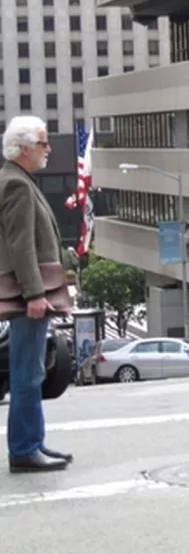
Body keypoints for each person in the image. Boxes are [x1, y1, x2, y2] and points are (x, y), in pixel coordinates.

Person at [0, 115, 73, 473]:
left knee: (31, 370)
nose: (48, 150)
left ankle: (33, 443)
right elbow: (21, 245)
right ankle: (25, 449)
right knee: (28, 372)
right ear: (24, 147)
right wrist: (33, 294)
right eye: (43, 143)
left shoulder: (18, 180)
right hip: (30, 294)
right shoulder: (16, 185)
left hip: (32, 292)